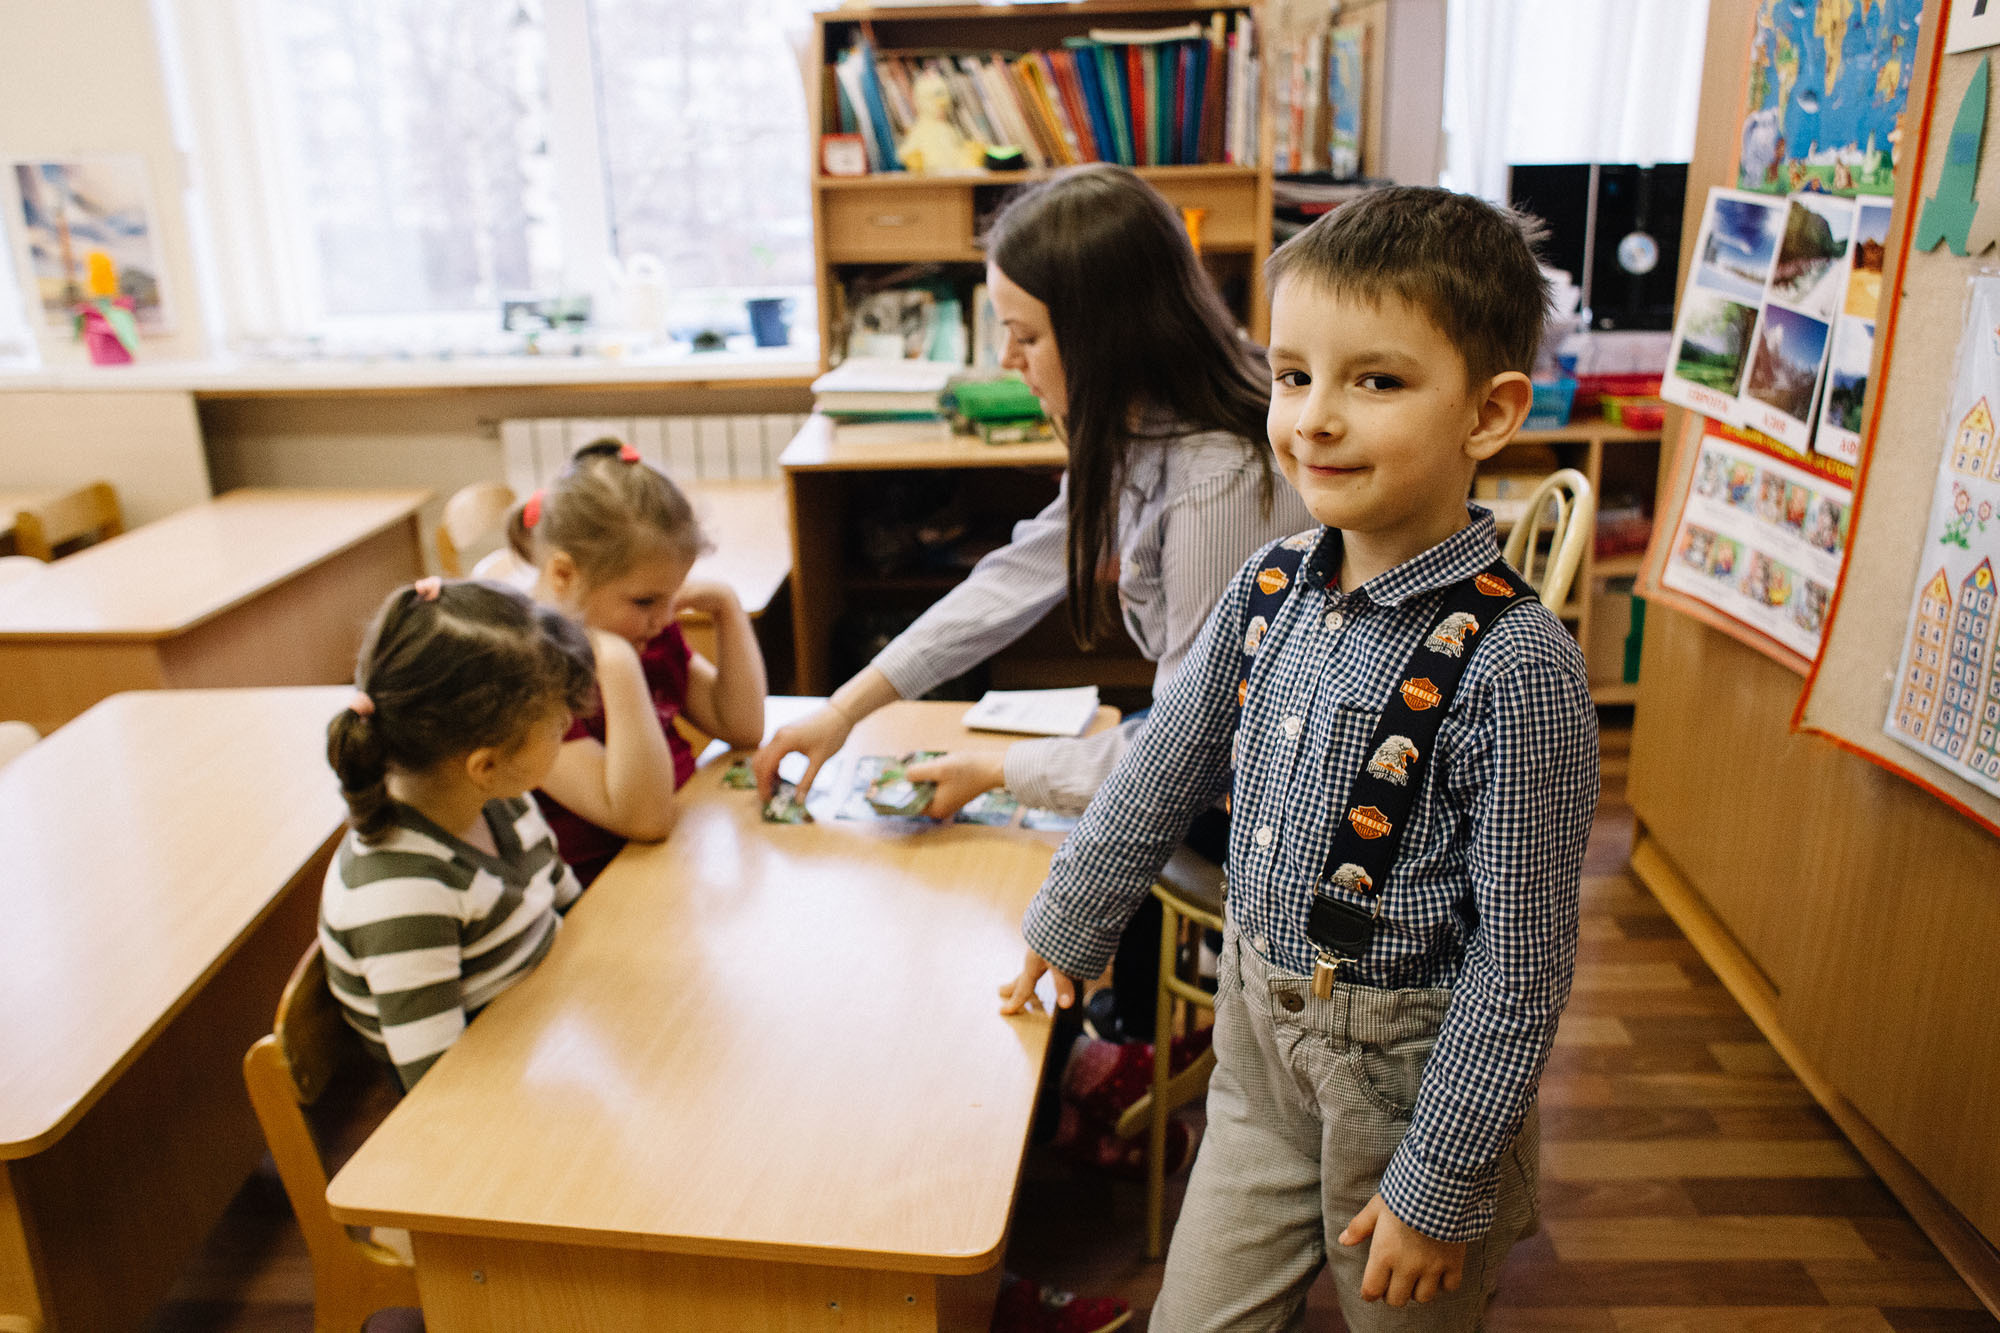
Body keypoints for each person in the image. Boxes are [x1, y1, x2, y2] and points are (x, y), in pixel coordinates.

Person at [999, 186, 1601, 1330]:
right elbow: (1160, 767)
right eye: (1291, 375)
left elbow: (1519, 967)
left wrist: (1439, 1182)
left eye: (1373, 381)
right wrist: (1070, 915)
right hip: (1254, 1058)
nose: (1312, 418)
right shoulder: (1269, 577)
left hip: (1412, 1095)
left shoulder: (1519, 670)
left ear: (1487, 412)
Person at [752, 162, 1312, 1041]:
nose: (1007, 361)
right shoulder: (1148, 416)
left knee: (1006, 885)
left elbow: (1191, 761)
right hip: (1216, 759)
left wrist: (998, 772)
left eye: (1023, 336)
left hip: (1272, 820)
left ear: (1103, 335)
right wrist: (847, 707)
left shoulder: (1216, 487)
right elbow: (1016, 574)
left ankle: (1116, 1041)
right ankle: (1117, 1029)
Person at [321, 577, 597, 1091]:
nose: (568, 722)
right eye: (557, 723)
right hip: (494, 1103)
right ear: (486, 765)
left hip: (554, 1041)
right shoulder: (402, 898)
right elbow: (439, 1091)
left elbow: (572, 919)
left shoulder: (503, 802)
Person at [511, 439, 768, 884]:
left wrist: (726, 608)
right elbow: (644, 819)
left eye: (675, 594)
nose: (667, 618)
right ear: (563, 576)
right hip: (600, 888)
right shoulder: (530, 676)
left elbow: (741, 726)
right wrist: (615, 663)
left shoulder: (640, 630)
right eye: (647, 599)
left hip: (678, 849)